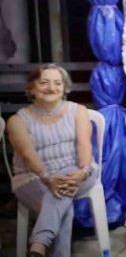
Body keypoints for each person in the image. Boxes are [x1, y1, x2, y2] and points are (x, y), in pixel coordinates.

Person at [7, 64, 100, 257]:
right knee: (62, 206)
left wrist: (82, 172)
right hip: (33, 177)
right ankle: (41, 247)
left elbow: (84, 146)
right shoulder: (17, 120)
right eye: (44, 82)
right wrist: (47, 177)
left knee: (61, 188)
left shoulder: (78, 111)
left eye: (57, 83)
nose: (51, 87)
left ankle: (38, 246)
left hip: (80, 171)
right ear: (32, 87)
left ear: (64, 87)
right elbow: (28, 155)